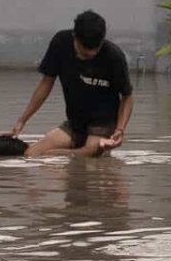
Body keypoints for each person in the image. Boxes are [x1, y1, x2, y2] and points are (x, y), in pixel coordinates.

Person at [8, 10, 133, 157]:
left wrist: (119, 131)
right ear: (74, 36)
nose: (85, 58)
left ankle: (73, 154)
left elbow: (127, 97)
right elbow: (46, 83)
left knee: (84, 154)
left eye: (93, 53)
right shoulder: (60, 43)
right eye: (83, 53)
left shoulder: (114, 57)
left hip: (104, 125)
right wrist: (22, 120)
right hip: (75, 123)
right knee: (31, 154)